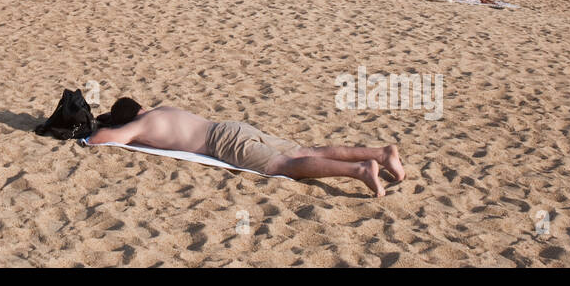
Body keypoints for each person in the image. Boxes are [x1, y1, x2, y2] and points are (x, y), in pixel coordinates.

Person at [86, 100, 404, 198]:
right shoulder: (162, 109)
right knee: (308, 149)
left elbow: (102, 140)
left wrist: (103, 128)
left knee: (285, 166)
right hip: (232, 127)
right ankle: (380, 153)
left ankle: (360, 170)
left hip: (223, 143)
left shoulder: (141, 126)